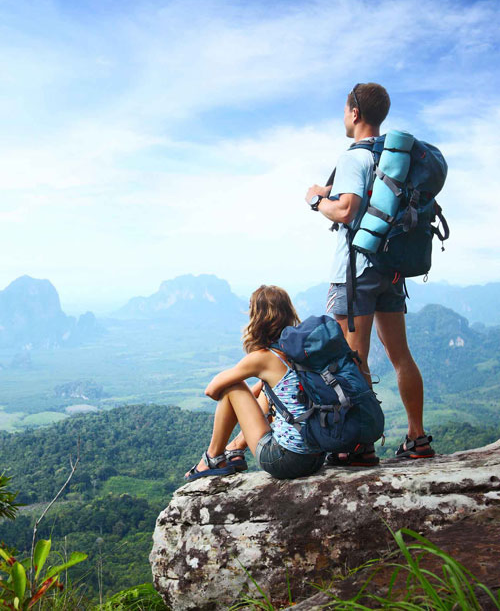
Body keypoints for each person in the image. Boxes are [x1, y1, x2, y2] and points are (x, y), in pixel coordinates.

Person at [304, 83, 434, 465]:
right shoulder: (393, 158)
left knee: (352, 358)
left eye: (345, 110)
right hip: (392, 270)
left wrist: (316, 200)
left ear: (355, 112)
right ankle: (417, 437)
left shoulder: (353, 158)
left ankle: (358, 444)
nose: (344, 116)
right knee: (401, 356)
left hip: (356, 272)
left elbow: (345, 210)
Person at [184, 285, 327, 481]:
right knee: (263, 388)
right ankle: (234, 449)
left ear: (258, 317)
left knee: (234, 386)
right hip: (316, 457)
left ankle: (212, 458)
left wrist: (236, 390)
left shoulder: (264, 357)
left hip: (286, 461)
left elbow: (212, 390)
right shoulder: (299, 352)